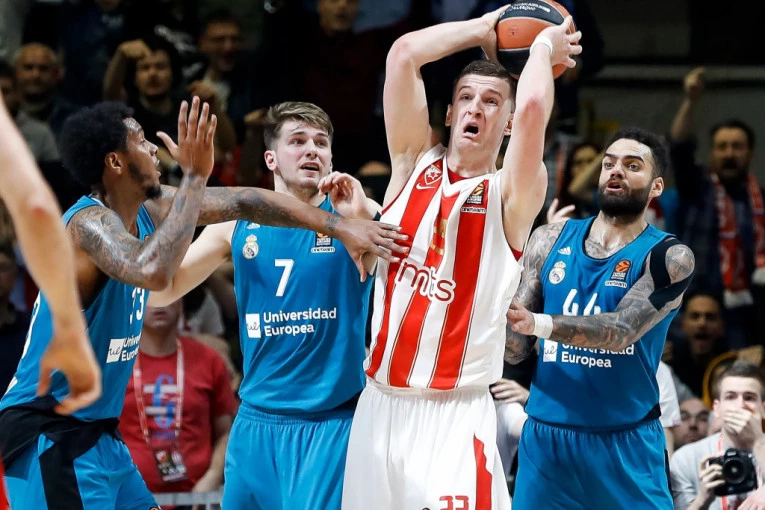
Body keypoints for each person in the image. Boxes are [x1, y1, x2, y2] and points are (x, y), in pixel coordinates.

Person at [0, 98, 402, 509]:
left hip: (100, 433)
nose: (153, 148)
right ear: (116, 162)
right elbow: (153, 274)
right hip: (50, 431)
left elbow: (247, 202)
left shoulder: (151, 206)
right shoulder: (87, 224)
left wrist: (340, 225)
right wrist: (194, 177)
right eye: (141, 140)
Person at [341, 6, 582, 509]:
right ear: (449, 114)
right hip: (379, 405)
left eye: (491, 102)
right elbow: (404, 55)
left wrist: (541, 47)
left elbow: (533, 106)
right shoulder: (411, 164)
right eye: (466, 98)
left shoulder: (512, 194)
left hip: (454, 412)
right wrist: (483, 28)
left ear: (508, 123)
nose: (476, 109)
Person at [146, 101, 388, 509]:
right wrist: (189, 186)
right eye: (298, 141)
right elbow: (162, 290)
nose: (312, 150)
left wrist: (368, 212)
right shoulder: (235, 224)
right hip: (255, 423)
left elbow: (410, 268)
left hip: (330, 425)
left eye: (321, 143)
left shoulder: (354, 219)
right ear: (270, 159)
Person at [505, 126, 696, 508]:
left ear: (656, 186)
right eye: (609, 163)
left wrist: (540, 323)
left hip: (625, 442)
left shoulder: (670, 256)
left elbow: (620, 330)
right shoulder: (549, 239)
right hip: (547, 441)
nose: (616, 170)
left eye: (632, 165)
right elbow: (514, 350)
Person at [119, 300, 237, 498]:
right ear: (136, 306)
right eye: (151, 297)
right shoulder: (117, 361)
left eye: (168, 296)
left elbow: (226, 431)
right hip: (129, 495)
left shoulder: (209, 359)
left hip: (196, 497)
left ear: (181, 305)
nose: (159, 304)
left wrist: (214, 475)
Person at [670, 361, 765, 510]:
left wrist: (759, 442)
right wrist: (702, 500)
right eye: (730, 397)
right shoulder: (687, 458)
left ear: (763, 409)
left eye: (749, 398)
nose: (740, 405)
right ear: (717, 409)